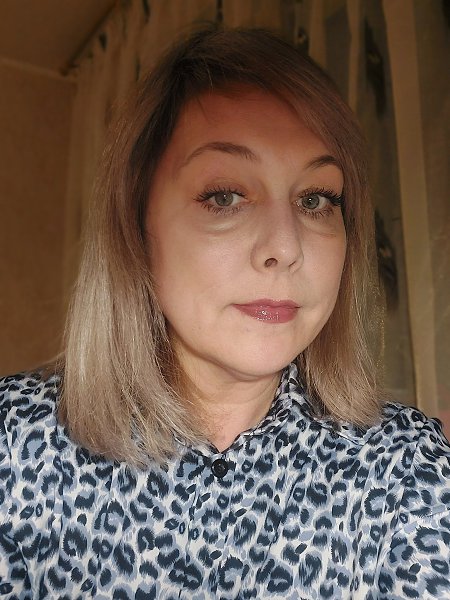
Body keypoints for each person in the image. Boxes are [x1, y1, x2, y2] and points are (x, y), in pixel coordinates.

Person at [0, 27, 449, 600]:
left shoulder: (405, 467)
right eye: (225, 195)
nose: (285, 247)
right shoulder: (15, 445)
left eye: (316, 199)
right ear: (136, 225)